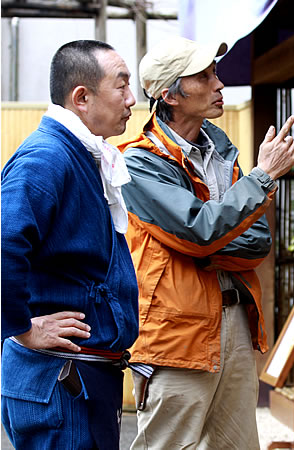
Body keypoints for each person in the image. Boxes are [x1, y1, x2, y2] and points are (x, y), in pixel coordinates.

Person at [118, 36, 294, 449]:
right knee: (171, 444)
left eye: (215, 73)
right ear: (170, 95)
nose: (219, 84)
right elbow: (199, 231)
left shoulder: (220, 151)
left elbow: (255, 242)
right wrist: (260, 180)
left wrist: (213, 234)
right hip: (176, 332)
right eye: (204, 75)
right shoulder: (138, 162)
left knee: (237, 445)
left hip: (236, 321)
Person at [1, 40, 139, 449]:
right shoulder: (46, 157)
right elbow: (4, 242)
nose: (132, 99)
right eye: (122, 86)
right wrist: (22, 328)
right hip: (60, 381)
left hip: (84, 378)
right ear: (82, 97)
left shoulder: (83, 154)